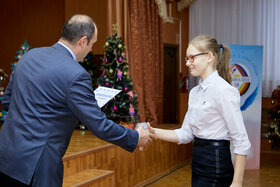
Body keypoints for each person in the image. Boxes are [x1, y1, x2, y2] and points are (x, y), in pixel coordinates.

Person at [0, 14, 154, 187]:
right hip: (38, 165)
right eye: (92, 44)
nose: (90, 50)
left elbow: (7, 102)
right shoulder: (76, 74)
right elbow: (99, 126)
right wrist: (135, 137)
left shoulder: (29, 56)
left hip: (6, 155)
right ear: (82, 41)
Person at [148, 34, 251, 187]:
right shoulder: (195, 92)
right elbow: (186, 133)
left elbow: (241, 140)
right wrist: (154, 132)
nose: (188, 63)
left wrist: (237, 182)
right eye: (186, 59)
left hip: (216, 164)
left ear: (209, 56)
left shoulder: (224, 91)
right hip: (198, 162)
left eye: (192, 58)